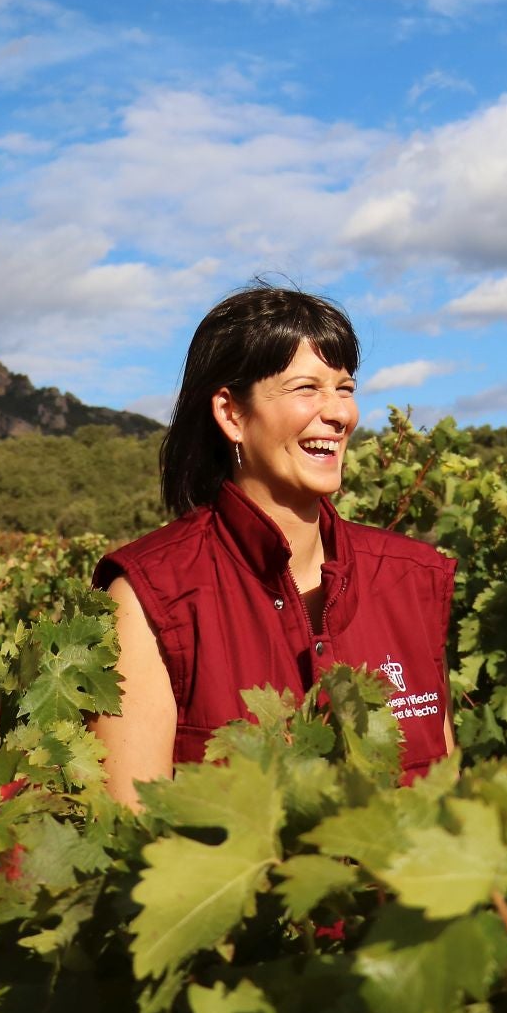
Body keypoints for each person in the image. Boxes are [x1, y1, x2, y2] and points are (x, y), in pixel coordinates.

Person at [92, 287, 455, 810]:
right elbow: (129, 839)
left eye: (345, 387)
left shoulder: (413, 581)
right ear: (231, 414)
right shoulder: (153, 596)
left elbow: (447, 804)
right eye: (306, 388)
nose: (339, 414)